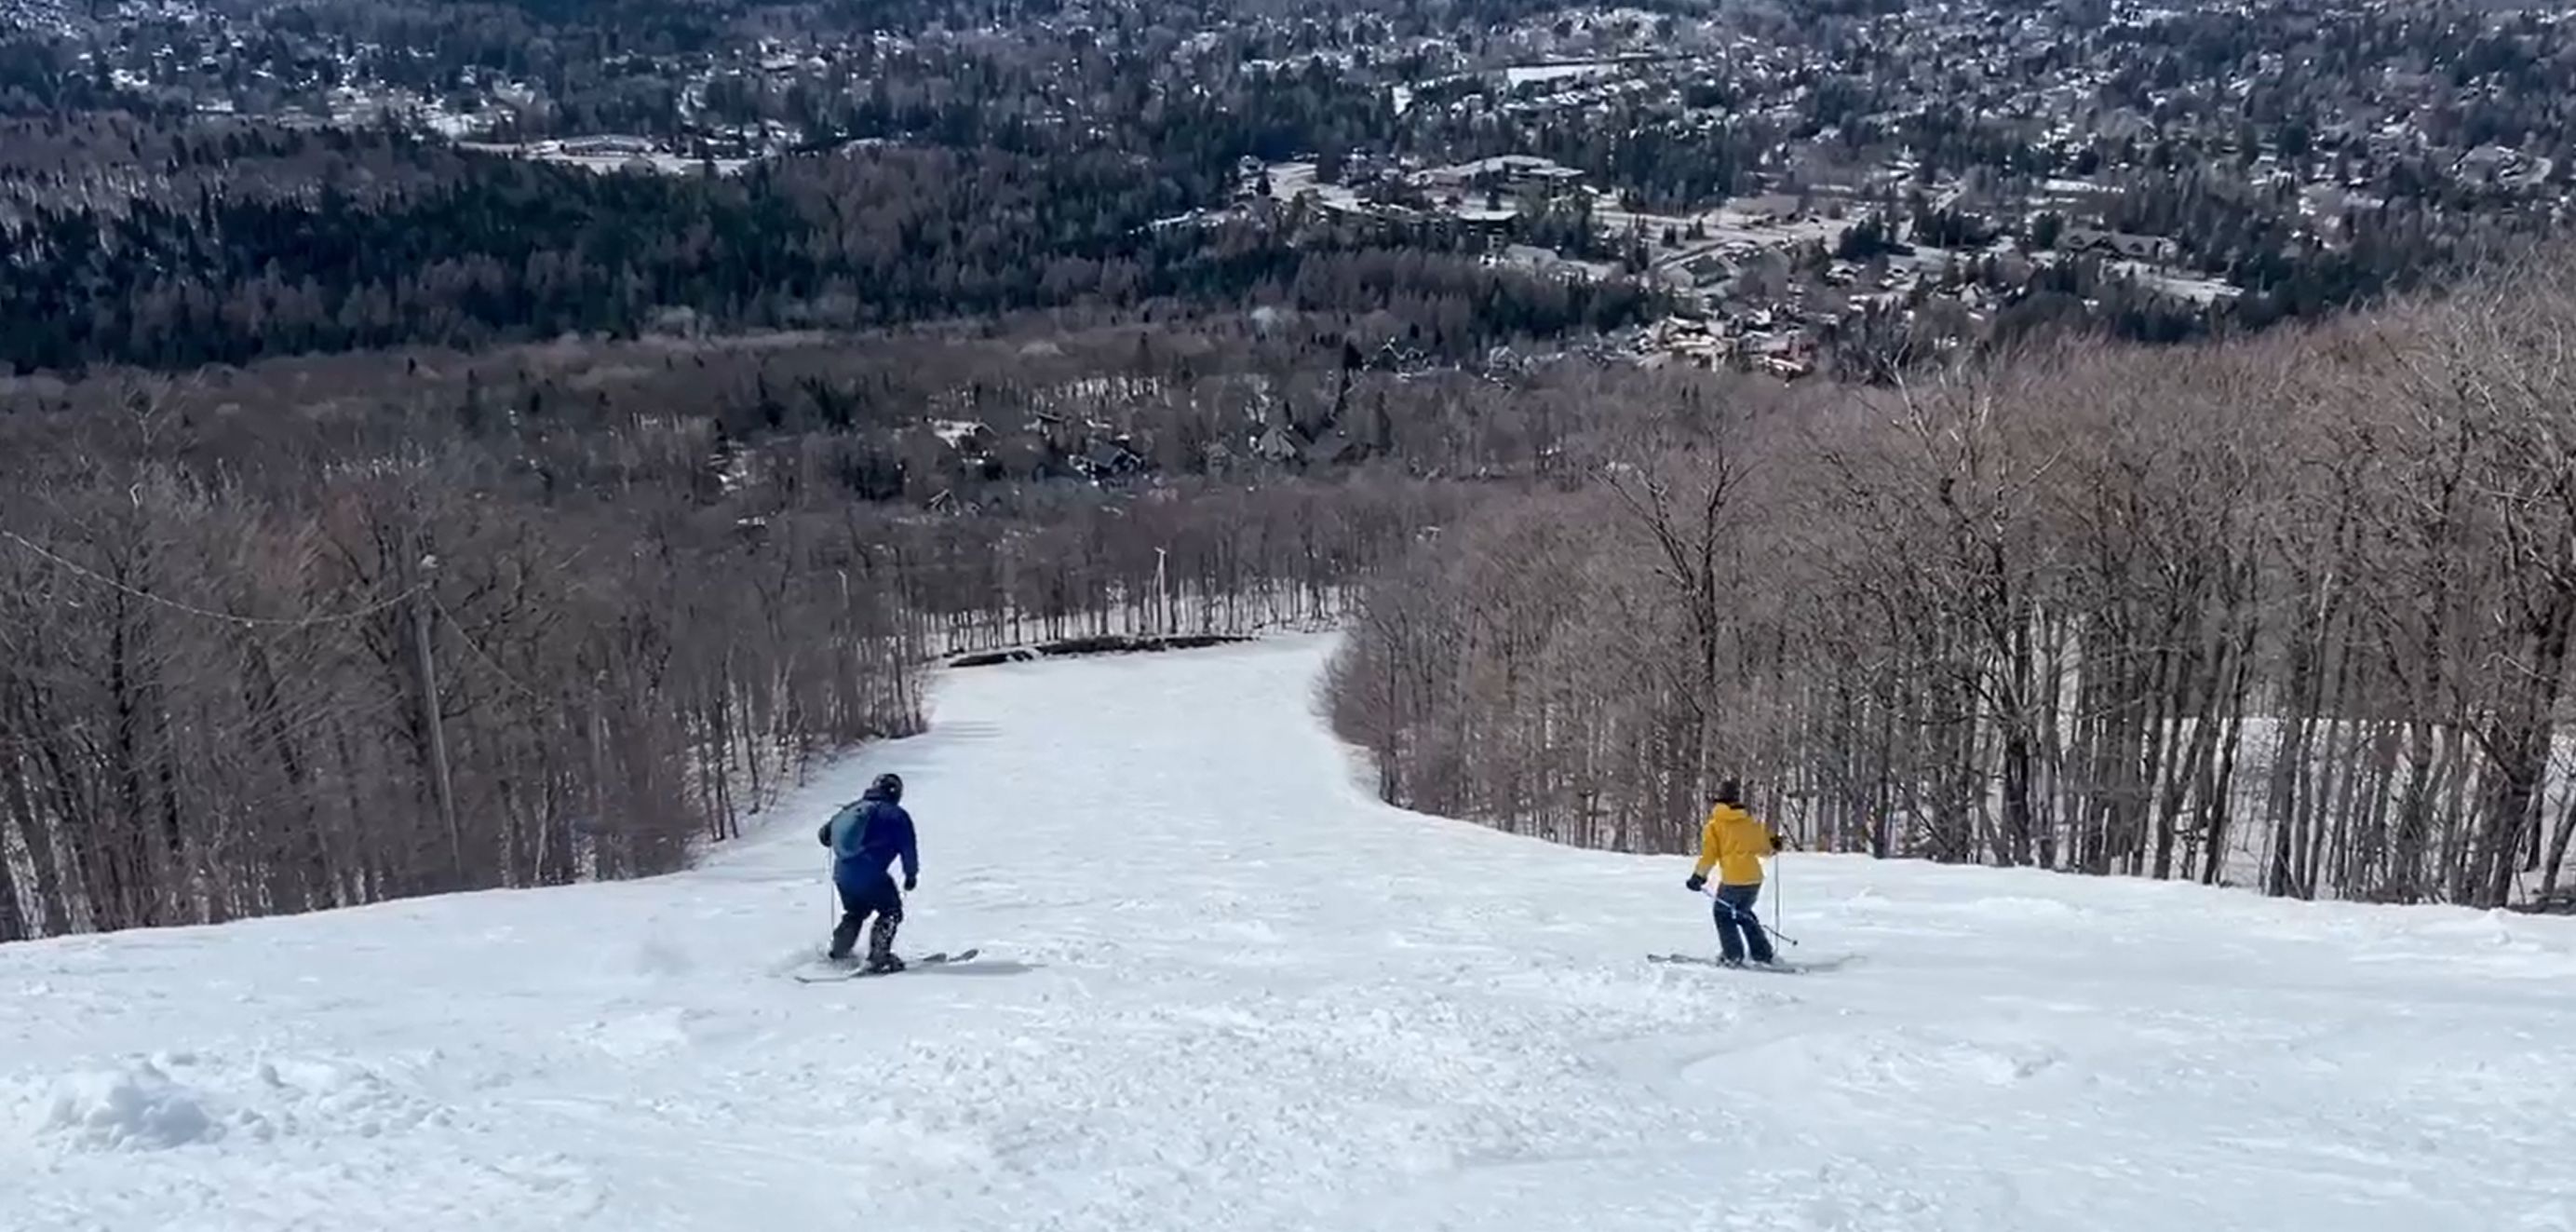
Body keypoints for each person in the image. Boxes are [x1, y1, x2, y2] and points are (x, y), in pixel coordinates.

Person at [816, 772, 919, 971]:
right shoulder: (896, 815)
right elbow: (908, 848)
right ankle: (879, 957)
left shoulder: (853, 808)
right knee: (891, 911)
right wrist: (911, 875)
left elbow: (824, 836)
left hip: (843, 872)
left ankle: (838, 952)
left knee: (855, 912)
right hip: (870, 871)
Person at [1683, 778, 1786, 967]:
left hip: (1733, 880)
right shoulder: (1749, 823)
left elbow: (1709, 856)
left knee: (1722, 914)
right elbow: (1767, 849)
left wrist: (1698, 876)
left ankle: (1733, 956)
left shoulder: (1714, 826)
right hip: (1754, 879)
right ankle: (1762, 953)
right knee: (1743, 914)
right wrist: (1775, 843)